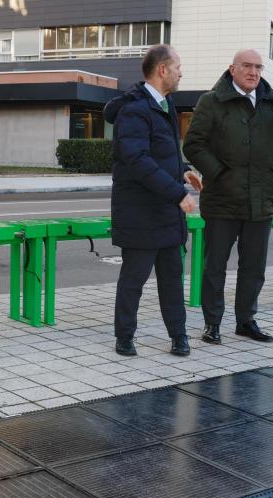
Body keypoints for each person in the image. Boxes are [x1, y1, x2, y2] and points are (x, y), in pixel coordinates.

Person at [183, 48, 273, 346]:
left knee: (253, 267)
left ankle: (246, 321)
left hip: (261, 199)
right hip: (223, 199)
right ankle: (212, 323)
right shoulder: (211, 102)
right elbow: (193, 145)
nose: (253, 72)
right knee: (215, 267)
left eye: (258, 67)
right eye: (247, 66)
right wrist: (219, 174)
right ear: (233, 69)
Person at [104, 44, 203, 357]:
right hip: (140, 212)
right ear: (162, 70)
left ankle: (178, 335)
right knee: (134, 280)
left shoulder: (164, 104)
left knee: (172, 281)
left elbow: (164, 153)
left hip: (165, 212)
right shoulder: (135, 110)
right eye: (178, 66)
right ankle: (124, 337)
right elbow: (139, 161)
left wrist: (183, 171)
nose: (181, 72)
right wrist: (178, 194)